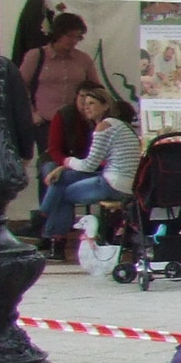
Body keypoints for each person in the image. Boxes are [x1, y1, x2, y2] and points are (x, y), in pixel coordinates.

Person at [37, 82, 138, 253]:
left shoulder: (104, 126)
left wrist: (67, 162)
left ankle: (51, 236)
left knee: (62, 193)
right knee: (63, 179)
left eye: (92, 103)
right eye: (85, 103)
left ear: (105, 106)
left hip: (113, 183)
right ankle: (44, 220)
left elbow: (90, 165)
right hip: (121, 181)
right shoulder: (119, 125)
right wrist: (63, 168)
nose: (86, 107)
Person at [18, 9, 99, 204]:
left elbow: (96, 88)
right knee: (49, 164)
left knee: (73, 165)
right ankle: (47, 211)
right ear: (58, 34)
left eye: (77, 37)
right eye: (69, 36)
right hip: (46, 120)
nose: (73, 41)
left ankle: (64, 210)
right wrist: (32, 113)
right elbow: (19, 88)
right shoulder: (36, 56)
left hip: (76, 121)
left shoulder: (83, 59)